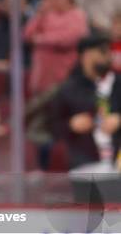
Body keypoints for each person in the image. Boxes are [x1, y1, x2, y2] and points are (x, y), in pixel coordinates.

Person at [51, 33, 121, 170]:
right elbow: (53, 126)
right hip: (85, 160)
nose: (108, 56)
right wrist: (71, 124)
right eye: (102, 51)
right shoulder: (69, 89)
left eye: (109, 51)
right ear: (86, 55)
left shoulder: (118, 84)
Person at [24, 0, 88, 95]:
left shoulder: (77, 15)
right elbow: (28, 35)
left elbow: (68, 39)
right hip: (41, 75)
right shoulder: (46, 13)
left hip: (64, 74)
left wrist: (40, 39)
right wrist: (39, 14)